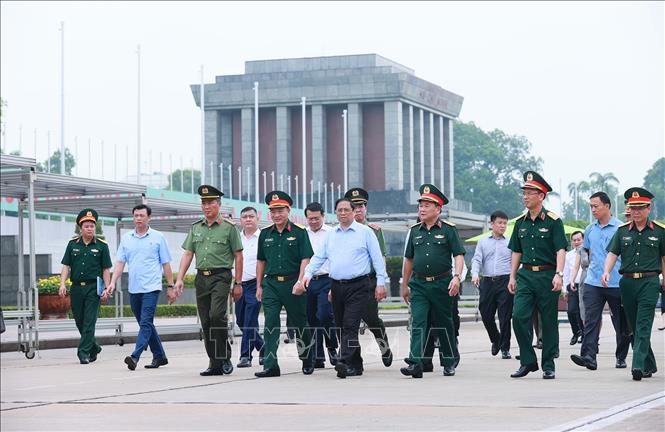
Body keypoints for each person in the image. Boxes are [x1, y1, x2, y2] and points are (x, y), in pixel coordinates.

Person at [303, 197, 387, 379]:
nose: (343, 213)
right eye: (339, 210)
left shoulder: (365, 233)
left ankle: (342, 360)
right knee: (341, 326)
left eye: (346, 210)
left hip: (359, 285)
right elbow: (319, 257)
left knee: (350, 324)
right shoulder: (331, 235)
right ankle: (356, 365)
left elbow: (377, 259)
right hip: (337, 286)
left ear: (353, 211)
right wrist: (307, 275)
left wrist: (381, 282)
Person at [175, 185, 243, 376]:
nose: (207, 206)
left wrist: (238, 283)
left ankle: (224, 357)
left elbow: (238, 256)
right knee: (206, 322)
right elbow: (188, 253)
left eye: (211, 202)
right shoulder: (196, 227)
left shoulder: (229, 229)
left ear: (219, 204)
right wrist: (179, 278)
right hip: (201, 278)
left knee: (216, 316)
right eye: (204, 203)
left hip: (221, 276)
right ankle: (214, 362)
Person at [400, 184, 465, 378]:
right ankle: (415, 362)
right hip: (418, 285)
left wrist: (457, 277)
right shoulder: (414, 231)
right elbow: (409, 260)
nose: (422, 208)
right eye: (421, 204)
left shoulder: (449, 230)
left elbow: (459, 255)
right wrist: (404, 284)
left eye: (427, 205)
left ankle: (448, 361)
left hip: (441, 284)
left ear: (438, 209)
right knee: (418, 322)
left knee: (444, 323)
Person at [508, 171, 567, 380]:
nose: (525, 196)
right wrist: (512, 276)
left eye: (530, 193)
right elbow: (516, 251)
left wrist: (559, 274)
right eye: (524, 192)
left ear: (541, 196)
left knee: (548, 321)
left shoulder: (553, 221)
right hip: (525, 276)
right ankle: (528, 360)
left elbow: (561, 249)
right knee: (518, 316)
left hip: (547, 275)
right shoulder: (520, 223)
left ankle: (548, 364)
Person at [602, 187, 664, 381]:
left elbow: (664, 257)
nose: (636, 211)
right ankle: (650, 363)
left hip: (650, 281)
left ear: (648, 208)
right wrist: (606, 271)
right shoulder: (622, 232)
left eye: (640, 207)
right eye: (633, 208)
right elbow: (612, 253)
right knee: (634, 326)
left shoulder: (660, 232)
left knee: (643, 323)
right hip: (627, 283)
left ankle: (637, 365)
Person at [254, 191, 315, 378]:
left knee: (300, 323)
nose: (276, 215)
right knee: (270, 324)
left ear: (288, 210)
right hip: (271, 284)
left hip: (292, 283)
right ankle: (271, 365)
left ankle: (307, 357)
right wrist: (259, 286)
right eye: (273, 211)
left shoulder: (299, 232)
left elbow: (306, 258)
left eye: (280, 210)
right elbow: (261, 262)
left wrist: (301, 281)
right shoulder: (265, 234)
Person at [107, 204, 174, 370]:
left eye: (141, 215)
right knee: (147, 324)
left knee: (145, 323)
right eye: (135, 215)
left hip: (151, 287)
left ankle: (135, 356)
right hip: (134, 288)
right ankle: (159, 356)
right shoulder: (127, 238)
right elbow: (120, 263)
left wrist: (171, 286)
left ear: (149, 217)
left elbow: (166, 264)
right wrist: (112, 282)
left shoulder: (158, 237)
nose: (138, 218)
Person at [570, 192, 631, 371]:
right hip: (593, 282)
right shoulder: (590, 229)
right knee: (591, 320)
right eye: (591, 206)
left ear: (607, 206)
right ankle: (589, 356)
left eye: (596, 206)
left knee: (621, 323)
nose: (593, 209)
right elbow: (587, 252)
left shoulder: (621, 228)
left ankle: (621, 356)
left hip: (617, 282)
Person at [344, 187, 393, 366]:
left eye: (361, 206)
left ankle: (383, 345)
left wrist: (382, 282)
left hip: (368, 282)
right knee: (349, 323)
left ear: (366, 208)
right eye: (354, 206)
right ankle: (352, 360)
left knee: (371, 318)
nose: (358, 209)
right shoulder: (341, 231)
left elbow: (381, 258)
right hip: (347, 283)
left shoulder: (374, 230)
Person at [59, 208, 112, 364]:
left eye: (92, 226)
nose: (90, 229)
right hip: (76, 288)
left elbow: (106, 269)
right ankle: (94, 347)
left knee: (89, 320)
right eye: (86, 226)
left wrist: (106, 288)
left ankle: (83, 353)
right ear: (80, 228)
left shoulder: (102, 246)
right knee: (79, 320)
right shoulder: (72, 245)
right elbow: (66, 266)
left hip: (93, 288)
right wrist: (62, 283)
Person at [471, 210, 514, 359]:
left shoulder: (510, 242)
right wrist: (475, 274)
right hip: (488, 281)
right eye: (499, 223)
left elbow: (515, 262)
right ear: (492, 224)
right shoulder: (483, 242)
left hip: (505, 281)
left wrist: (514, 278)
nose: (502, 226)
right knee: (486, 314)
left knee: (505, 317)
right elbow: (477, 260)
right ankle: (496, 339)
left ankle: (505, 348)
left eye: (504, 223)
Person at [304, 202, 338, 368]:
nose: (313, 222)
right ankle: (318, 356)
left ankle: (332, 347)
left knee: (325, 315)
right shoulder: (303, 234)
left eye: (316, 218)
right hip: (309, 280)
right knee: (311, 319)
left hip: (327, 280)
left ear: (323, 216)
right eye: (310, 219)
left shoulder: (332, 233)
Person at [235, 206, 265, 368]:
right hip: (239, 284)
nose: (248, 219)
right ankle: (263, 347)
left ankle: (245, 356)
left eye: (251, 216)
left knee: (249, 320)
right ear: (241, 220)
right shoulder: (236, 238)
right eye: (245, 217)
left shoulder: (263, 237)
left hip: (256, 284)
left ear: (257, 218)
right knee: (240, 320)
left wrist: (262, 284)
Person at [563, 231, 584, 346]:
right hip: (572, 285)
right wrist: (565, 289)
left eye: (578, 240)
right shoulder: (569, 255)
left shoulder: (587, 253)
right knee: (571, 311)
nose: (576, 242)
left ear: (583, 240)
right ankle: (576, 332)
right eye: (574, 240)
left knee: (583, 312)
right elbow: (566, 272)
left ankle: (585, 335)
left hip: (585, 286)